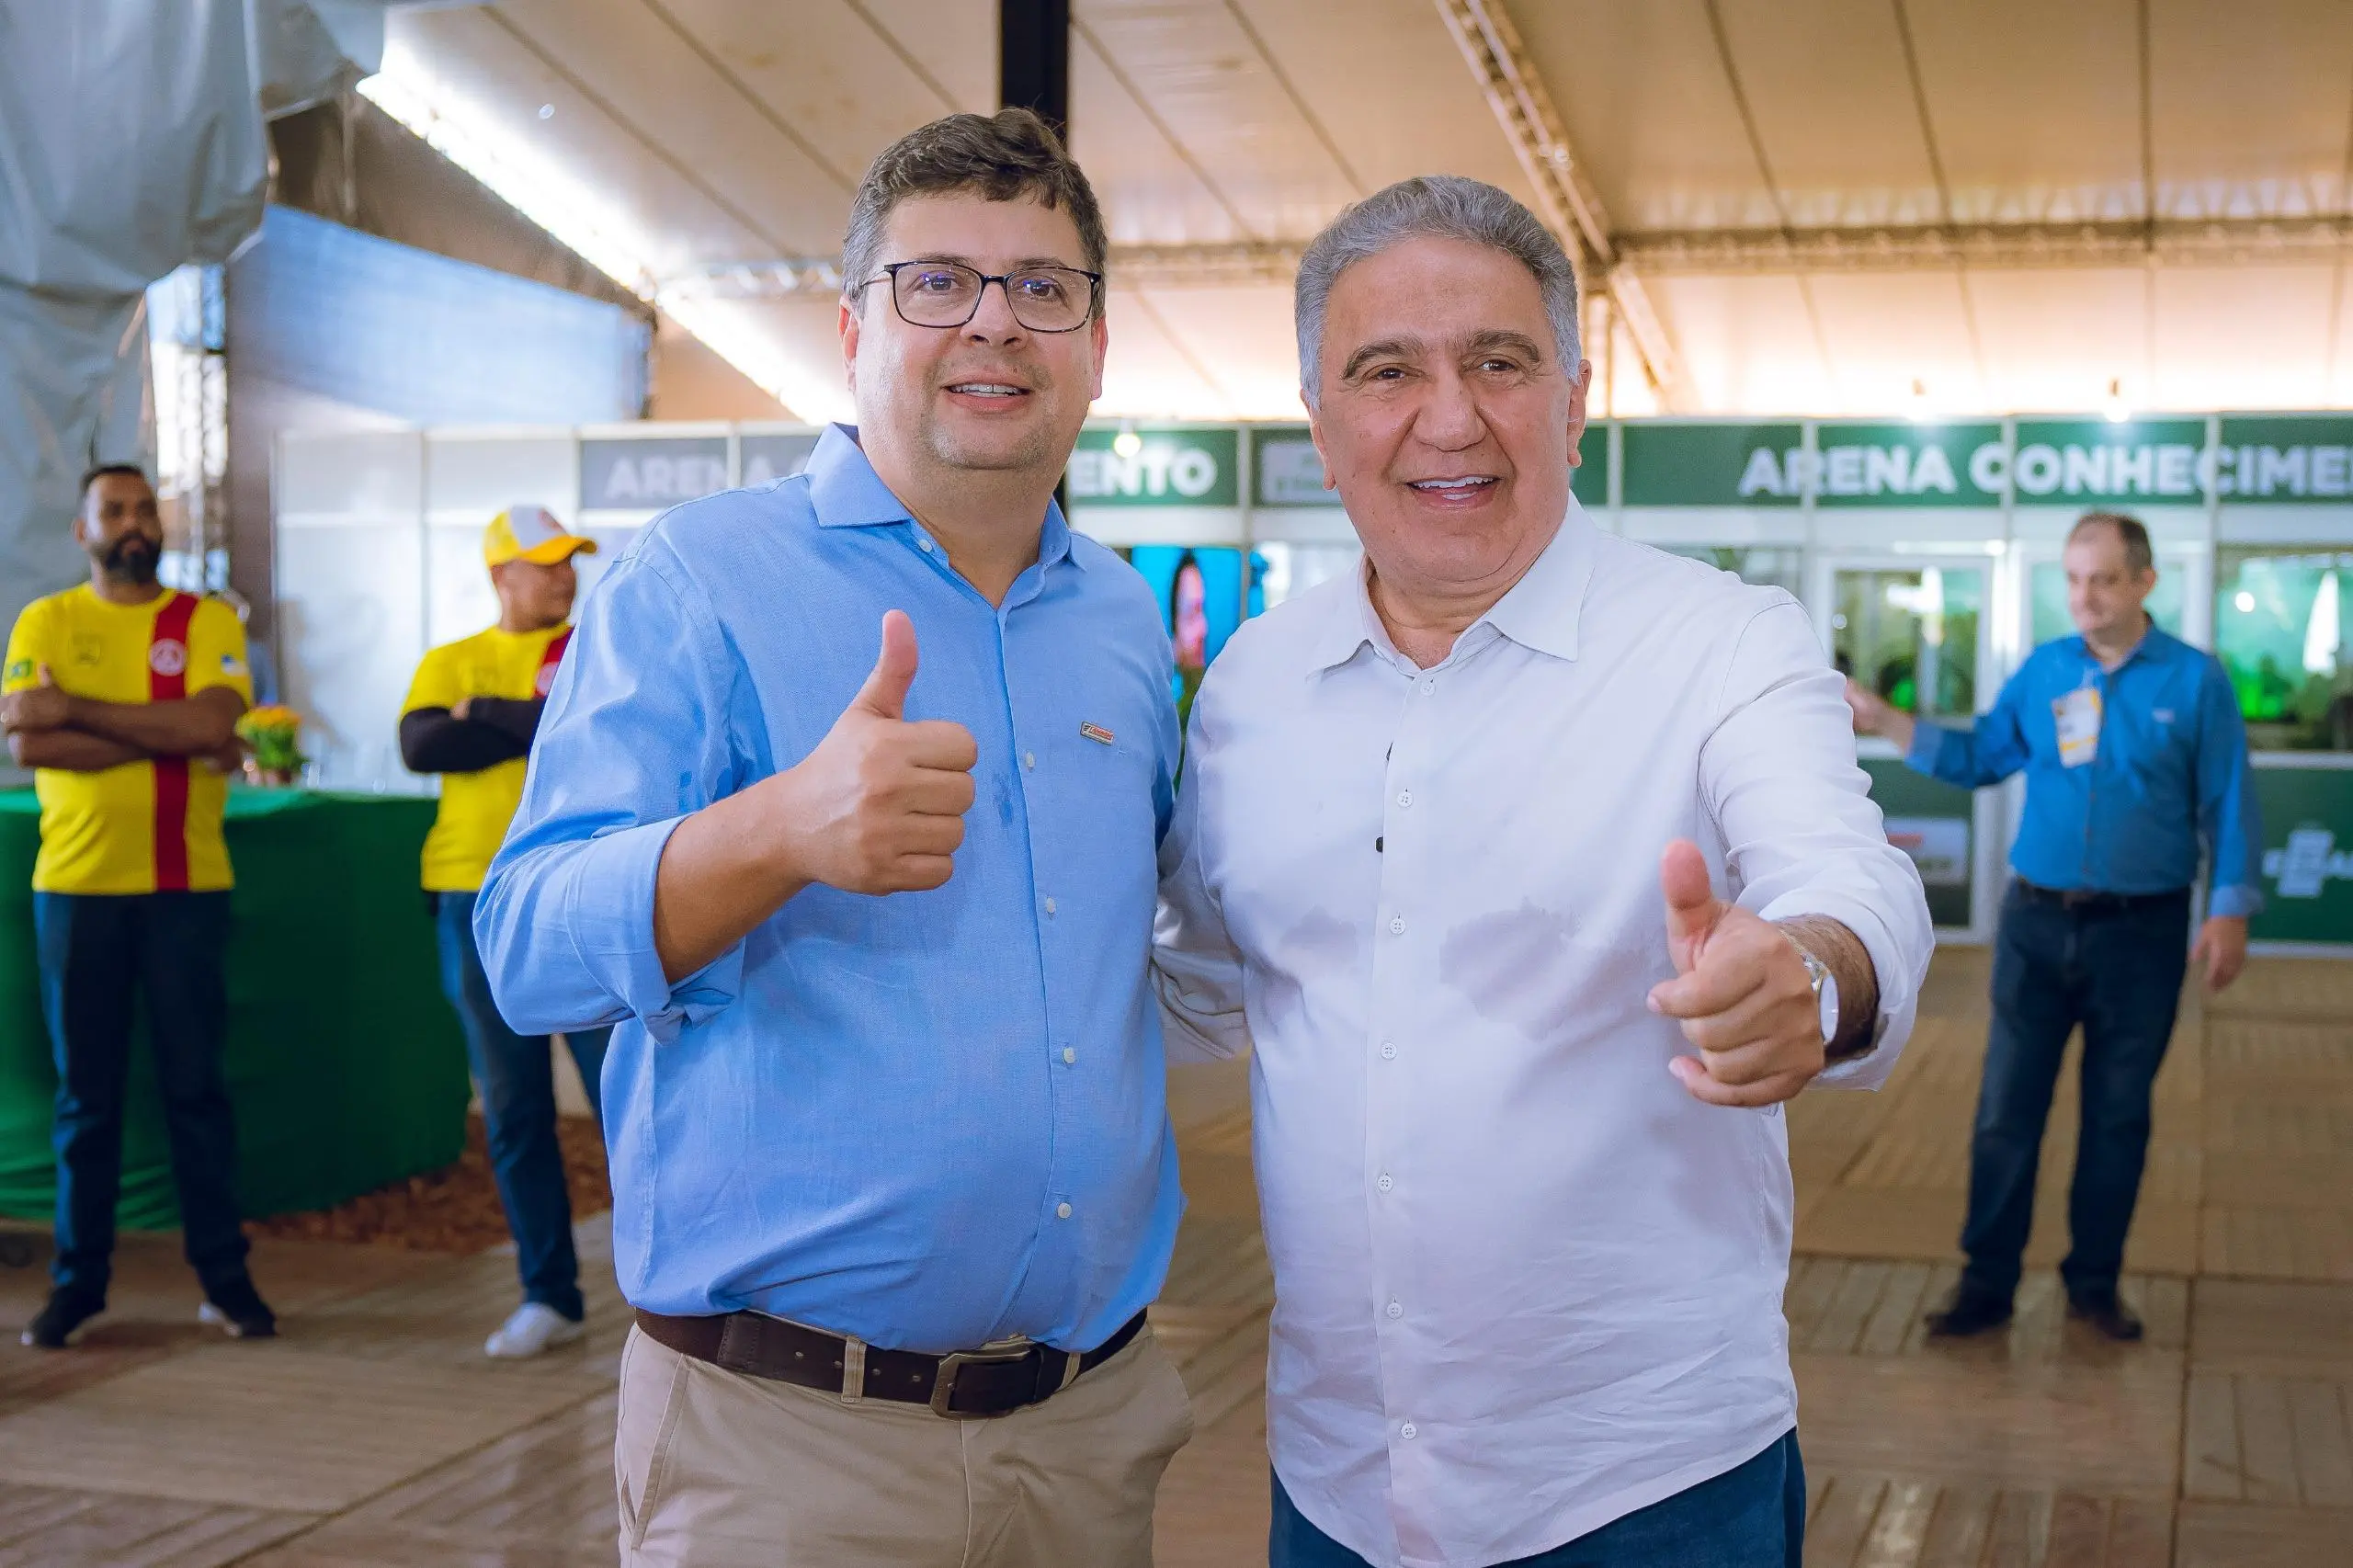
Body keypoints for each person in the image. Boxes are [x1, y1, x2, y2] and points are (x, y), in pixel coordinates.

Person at [1154, 176, 1936, 1568]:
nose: (1447, 417)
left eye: (1499, 363)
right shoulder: (1251, 689)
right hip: (1336, 1479)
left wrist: (1809, 973)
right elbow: (1211, 986)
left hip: (1644, 1484)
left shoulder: (1721, 644)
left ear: (1573, 402)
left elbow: (1848, 873)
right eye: (1386, 370)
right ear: (1322, 428)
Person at [472, 109, 1193, 1566]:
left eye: (1043, 287)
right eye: (939, 281)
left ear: (1098, 347)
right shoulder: (699, 579)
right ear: (852, 325)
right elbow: (529, 947)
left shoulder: (1123, 623)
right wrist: (777, 829)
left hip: (1093, 1436)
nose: (994, 323)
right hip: (786, 1449)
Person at [1847, 509, 2261, 1342]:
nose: (2085, 597)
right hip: (2036, 925)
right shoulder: (2044, 673)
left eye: (2104, 579)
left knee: (2118, 1114)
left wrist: (2229, 909)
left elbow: (2230, 800)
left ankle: (2094, 1283)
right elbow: (1981, 758)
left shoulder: (2195, 681)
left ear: (2145, 582)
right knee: (2007, 1109)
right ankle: (1987, 1283)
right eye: (2073, 580)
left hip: (2142, 934)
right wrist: (1885, 720)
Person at [3, 465, 276, 1349]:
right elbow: (27, 736)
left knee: (197, 1090)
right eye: (113, 511)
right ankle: (78, 1288)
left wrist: (80, 713)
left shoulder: (207, 619)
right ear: (82, 530)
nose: (133, 523)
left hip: (185, 890)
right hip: (76, 894)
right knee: (87, 1099)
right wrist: (166, 731)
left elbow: (209, 726)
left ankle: (227, 1284)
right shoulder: (47, 619)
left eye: (144, 509)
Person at [398, 506, 612, 1358]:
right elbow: (421, 746)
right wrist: (520, 724)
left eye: (569, 562)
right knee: (515, 1105)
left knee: (624, 1101)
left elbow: (582, 733)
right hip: (470, 896)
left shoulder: (596, 649)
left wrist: (484, 712)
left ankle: (668, 1290)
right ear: (500, 576)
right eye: (545, 563)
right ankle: (548, 1295)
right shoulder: (447, 657)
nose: (564, 577)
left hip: (581, 896)